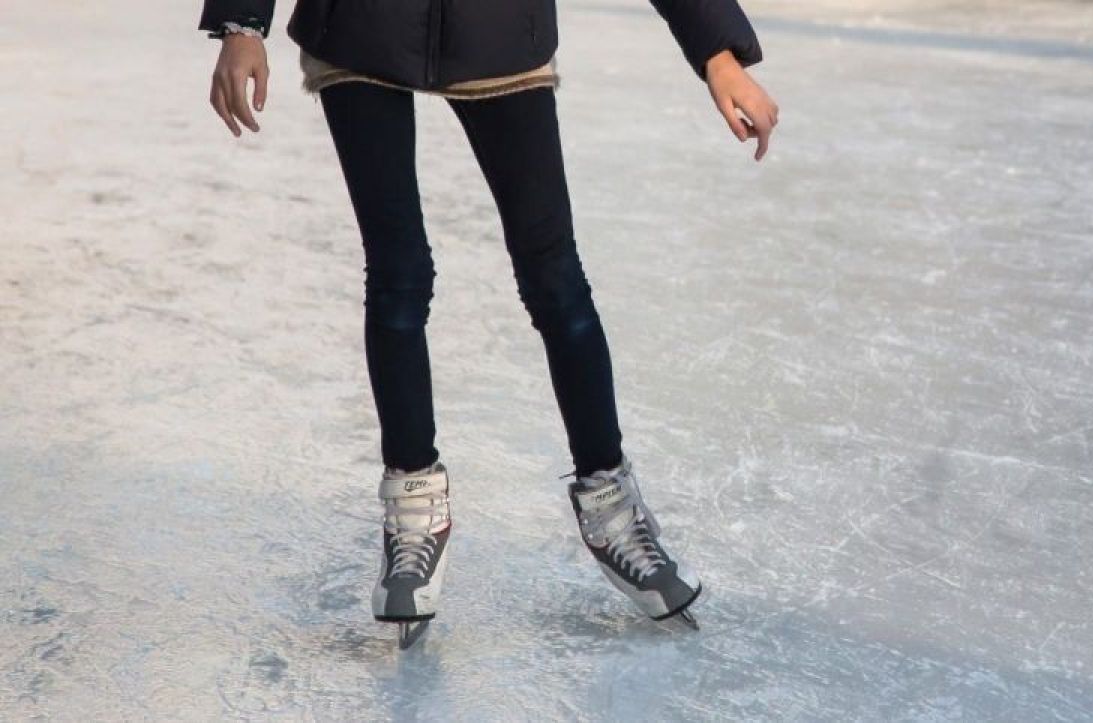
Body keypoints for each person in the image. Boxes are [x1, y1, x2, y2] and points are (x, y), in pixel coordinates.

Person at [199, 0, 778, 647]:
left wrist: (718, 53)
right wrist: (241, 24)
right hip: (362, 26)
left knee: (554, 277)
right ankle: (413, 510)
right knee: (398, 276)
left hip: (499, 29)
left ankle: (611, 508)